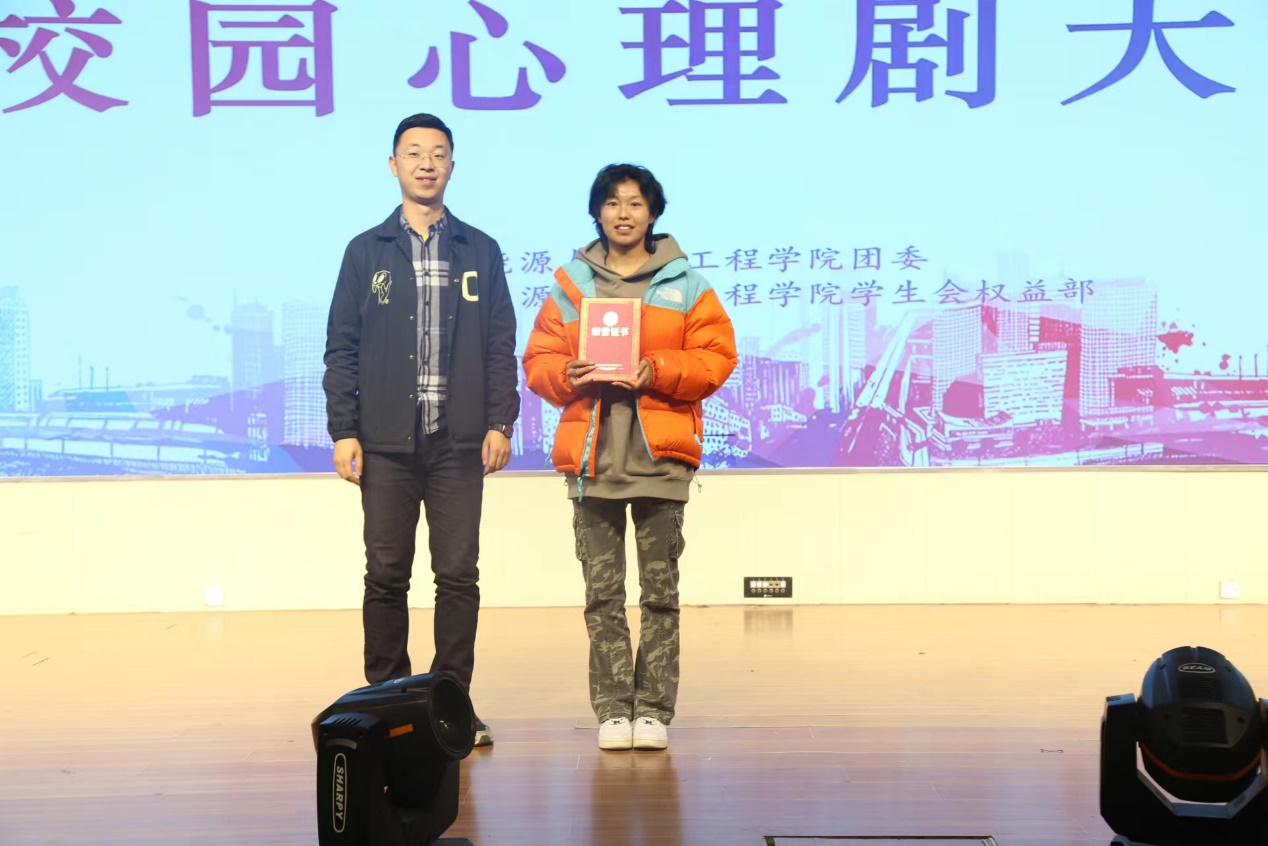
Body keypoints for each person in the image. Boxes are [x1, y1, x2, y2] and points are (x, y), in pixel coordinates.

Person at [522, 164, 737, 751]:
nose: (624, 213)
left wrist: (656, 369)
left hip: (661, 461)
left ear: (653, 213)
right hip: (593, 462)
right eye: (613, 202)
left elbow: (717, 356)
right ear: (597, 212)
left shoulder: (686, 284)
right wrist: (564, 374)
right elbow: (537, 359)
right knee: (602, 595)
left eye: (636, 203)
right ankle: (614, 709)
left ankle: (654, 712)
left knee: (661, 595)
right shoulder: (571, 285)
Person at [323, 113, 519, 748]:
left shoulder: (480, 250)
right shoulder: (366, 251)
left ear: (452, 166)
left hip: (459, 441)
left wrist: (501, 420)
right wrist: (344, 429)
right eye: (413, 153)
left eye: (437, 153)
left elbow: (500, 344)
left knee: (458, 576)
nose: (426, 163)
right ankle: (387, 707)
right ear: (394, 165)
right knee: (386, 574)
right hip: (385, 443)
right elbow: (341, 348)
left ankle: (451, 706)